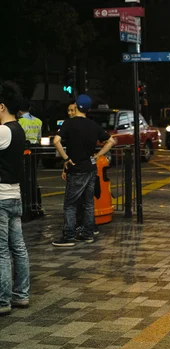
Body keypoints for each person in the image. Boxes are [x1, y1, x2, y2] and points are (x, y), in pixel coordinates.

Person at [52, 95, 116, 247]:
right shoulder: (93, 125)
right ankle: (87, 234)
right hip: (91, 167)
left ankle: (68, 236)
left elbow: (56, 141)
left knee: (70, 205)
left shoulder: (69, 124)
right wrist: (99, 154)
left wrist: (66, 158)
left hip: (76, 168)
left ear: (77, 106)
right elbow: (111, 141)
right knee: (88, 203)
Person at [0, 81, 30, 316]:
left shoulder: (3, 130)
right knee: (18, 247)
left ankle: (3, 300)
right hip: (15, 195)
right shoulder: (18, 129)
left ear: (2, 107)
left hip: (0, 197)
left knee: (1, 251)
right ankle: (21, 295)